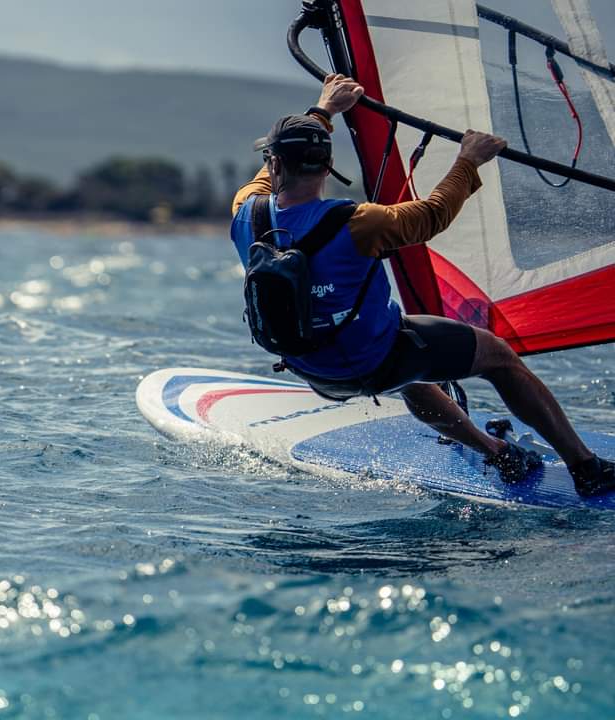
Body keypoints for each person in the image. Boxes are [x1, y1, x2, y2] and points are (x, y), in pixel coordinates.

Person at [230, 73, 615, 497]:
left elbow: (268, 179)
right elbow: (434, 214)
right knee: (496, 357)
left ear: (275, 163)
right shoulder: (362, 223)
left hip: (311, 368)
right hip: (376, 359)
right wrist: (468, 159)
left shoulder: (245, 215)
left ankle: (494, 450)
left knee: (410, 366)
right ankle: (586, 467)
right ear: (327, 167)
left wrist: (323, 109)